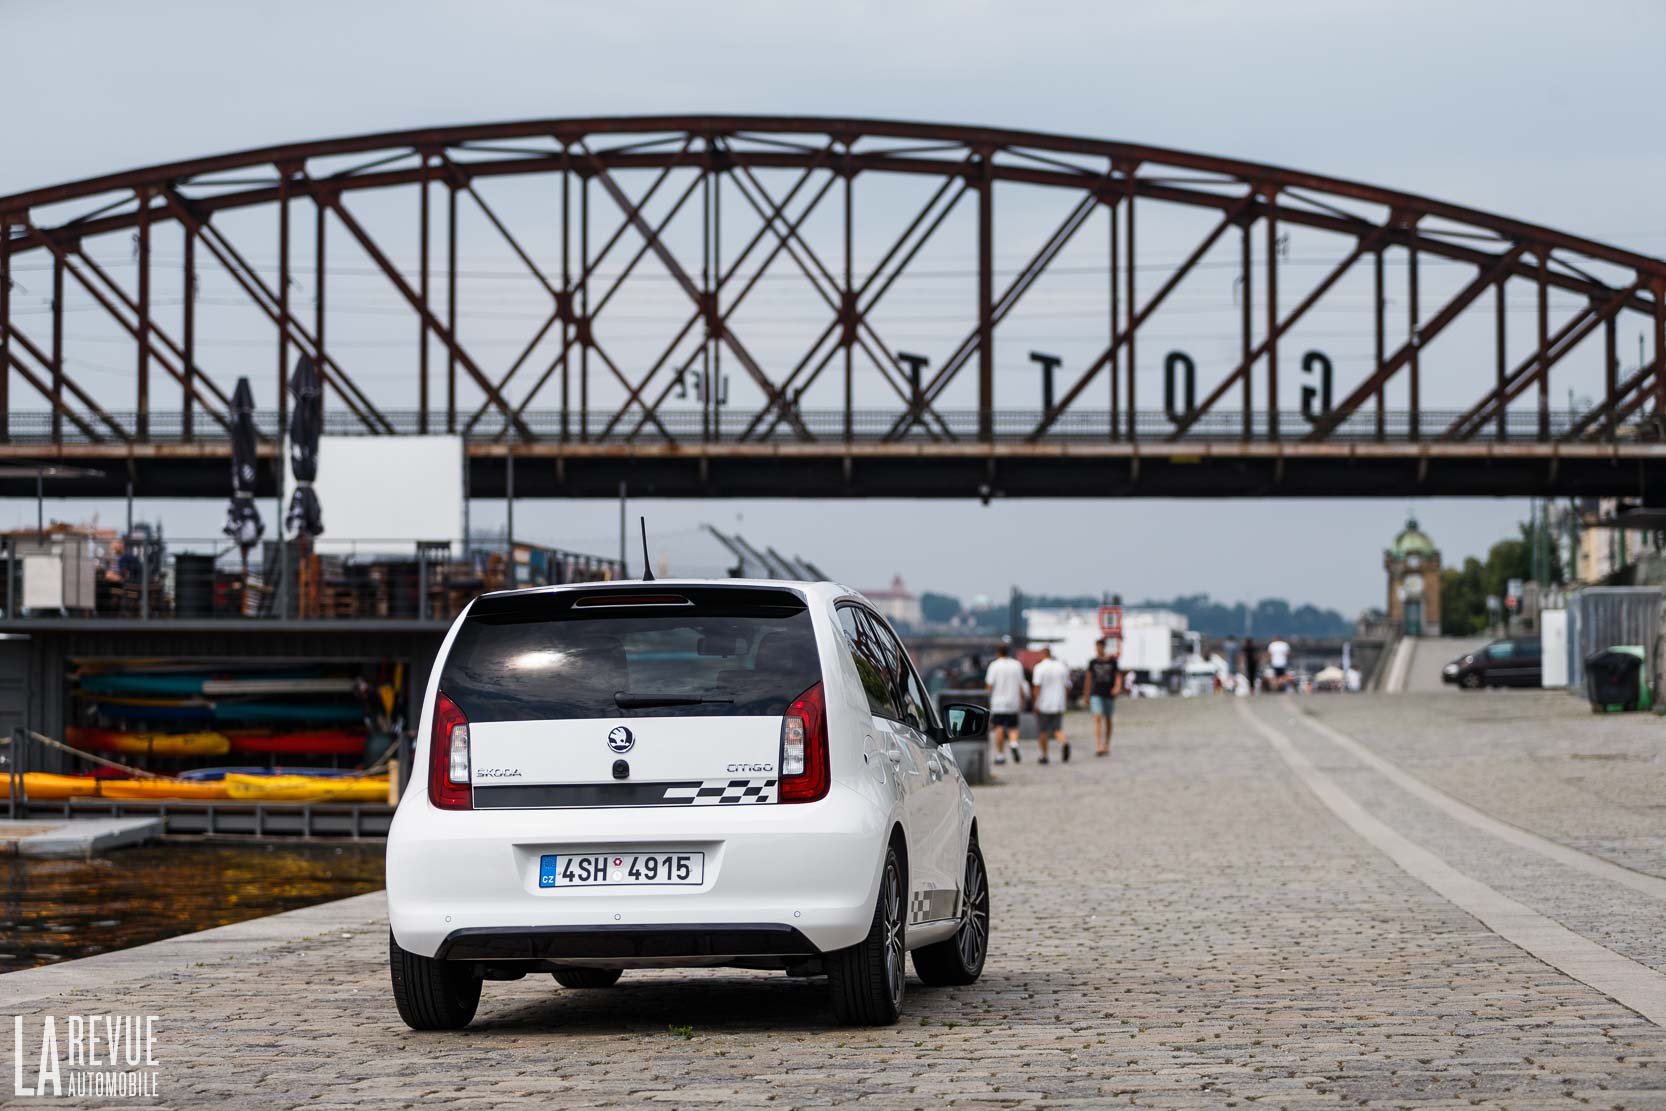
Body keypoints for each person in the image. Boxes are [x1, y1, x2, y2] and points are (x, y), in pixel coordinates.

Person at [984, 643, 1029, 764]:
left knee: (999, 727)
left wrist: (986, 700)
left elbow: (989, 685)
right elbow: (1021, 685)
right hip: (1013, 701)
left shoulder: (994, 666)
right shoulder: (1016, 665)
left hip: (998, 702)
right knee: (1013, 727)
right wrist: (1023, 700)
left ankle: (1000, 755)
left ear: (998, 652)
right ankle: (1014, 743)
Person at [1081, 637, 1123, 757]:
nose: (1098, 649)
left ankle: (1107, 744)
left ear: (1103, 647)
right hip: (1096, 693)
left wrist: (1117, 687)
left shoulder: (1112, 662)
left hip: (1109, 693)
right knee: (1098, 717)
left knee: (1108, 718)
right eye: (1097, 647)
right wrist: (1086, 694)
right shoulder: (1092, 662)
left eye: (1100, 647)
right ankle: (1098, 745)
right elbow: (1088, 679)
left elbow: (1118, 676)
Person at [1030, 646, 1072, 764]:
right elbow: (1067, 686)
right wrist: (1065, 700)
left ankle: (1044, 755)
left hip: (1044, 703)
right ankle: (1064, 742)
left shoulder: (1039, 667)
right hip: (1058, 703)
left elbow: (1037, 687)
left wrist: (1034, 703)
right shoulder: (1061, 667)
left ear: (1042, 654)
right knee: (1057, 728)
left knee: (1042, 730)